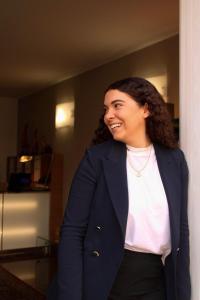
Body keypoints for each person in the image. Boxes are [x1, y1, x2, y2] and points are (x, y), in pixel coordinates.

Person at [57, 77, 191, 300]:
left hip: (157, 283)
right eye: (106, 108)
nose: (109, 115)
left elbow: (181, 232)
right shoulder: (97, 159)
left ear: (146, 109)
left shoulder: (174, 160)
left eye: (117, 105)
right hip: (105, 283)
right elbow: (72, 230)